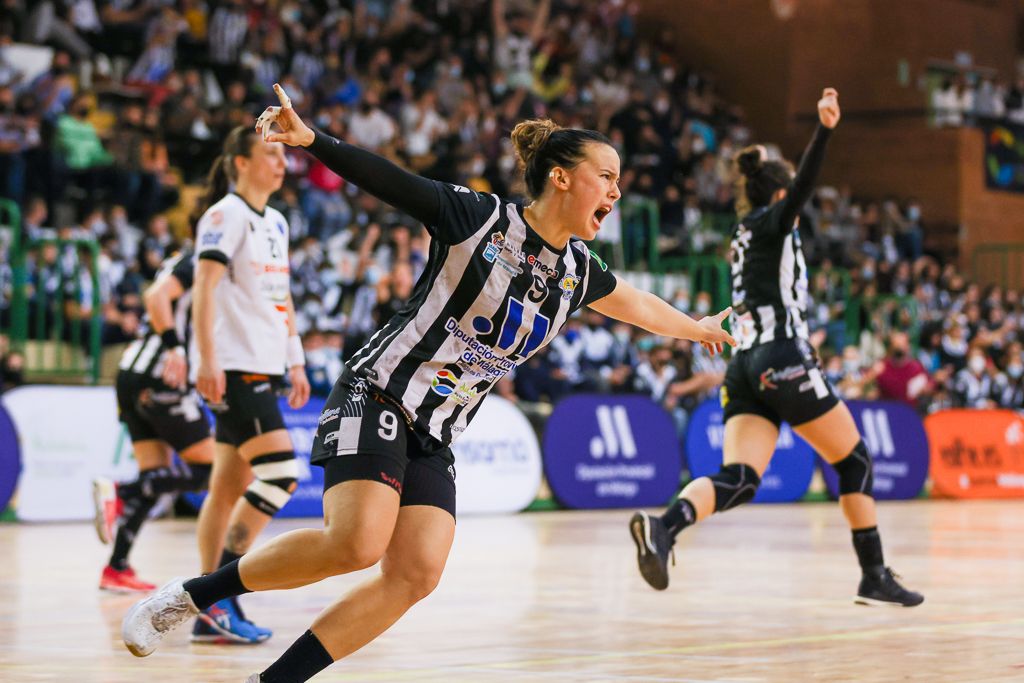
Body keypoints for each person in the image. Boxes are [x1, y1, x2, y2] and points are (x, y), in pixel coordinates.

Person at [121, 83, 736, 682]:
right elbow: (390, 180)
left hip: (436, 429)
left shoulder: (577, 271)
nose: (617, 190)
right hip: (380, 391)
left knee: (416, 573)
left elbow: (642, 307)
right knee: (356, 544)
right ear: (561, 176)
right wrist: (312, 141)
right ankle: (186, 597)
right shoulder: (478, 219)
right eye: (607, 176)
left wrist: (697, 328)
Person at [629, 89, 924, 607]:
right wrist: (825, 131)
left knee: (739, 480)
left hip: (745, 365)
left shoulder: (745, 233)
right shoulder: (773, 221)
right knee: (854, 461)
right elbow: (804, 188)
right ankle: (873, 575)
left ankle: (664, 527)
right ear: (782, 195)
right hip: (783, 356)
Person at [187, 125, 311, 644]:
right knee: (280, 474)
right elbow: (204, 289)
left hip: (266, 364)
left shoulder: (276, 222)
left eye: (283, 157)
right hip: (235, 368)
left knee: (224, 489)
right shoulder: (225, 215)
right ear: (240, 162)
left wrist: (297, 360)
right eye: (268, 155)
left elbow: (281, 299)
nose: (280, 164)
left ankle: (207, 612)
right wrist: (206, 360)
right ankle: (218, 595)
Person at [92, 248, 214, 593]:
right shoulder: (202, 257)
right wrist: (176, 348)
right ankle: (118, 490)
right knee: (215, 469)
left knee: (155, 476)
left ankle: (116, 567)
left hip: (134, 372)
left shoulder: (184, 256)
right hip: (161, 377)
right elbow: (156, 295)